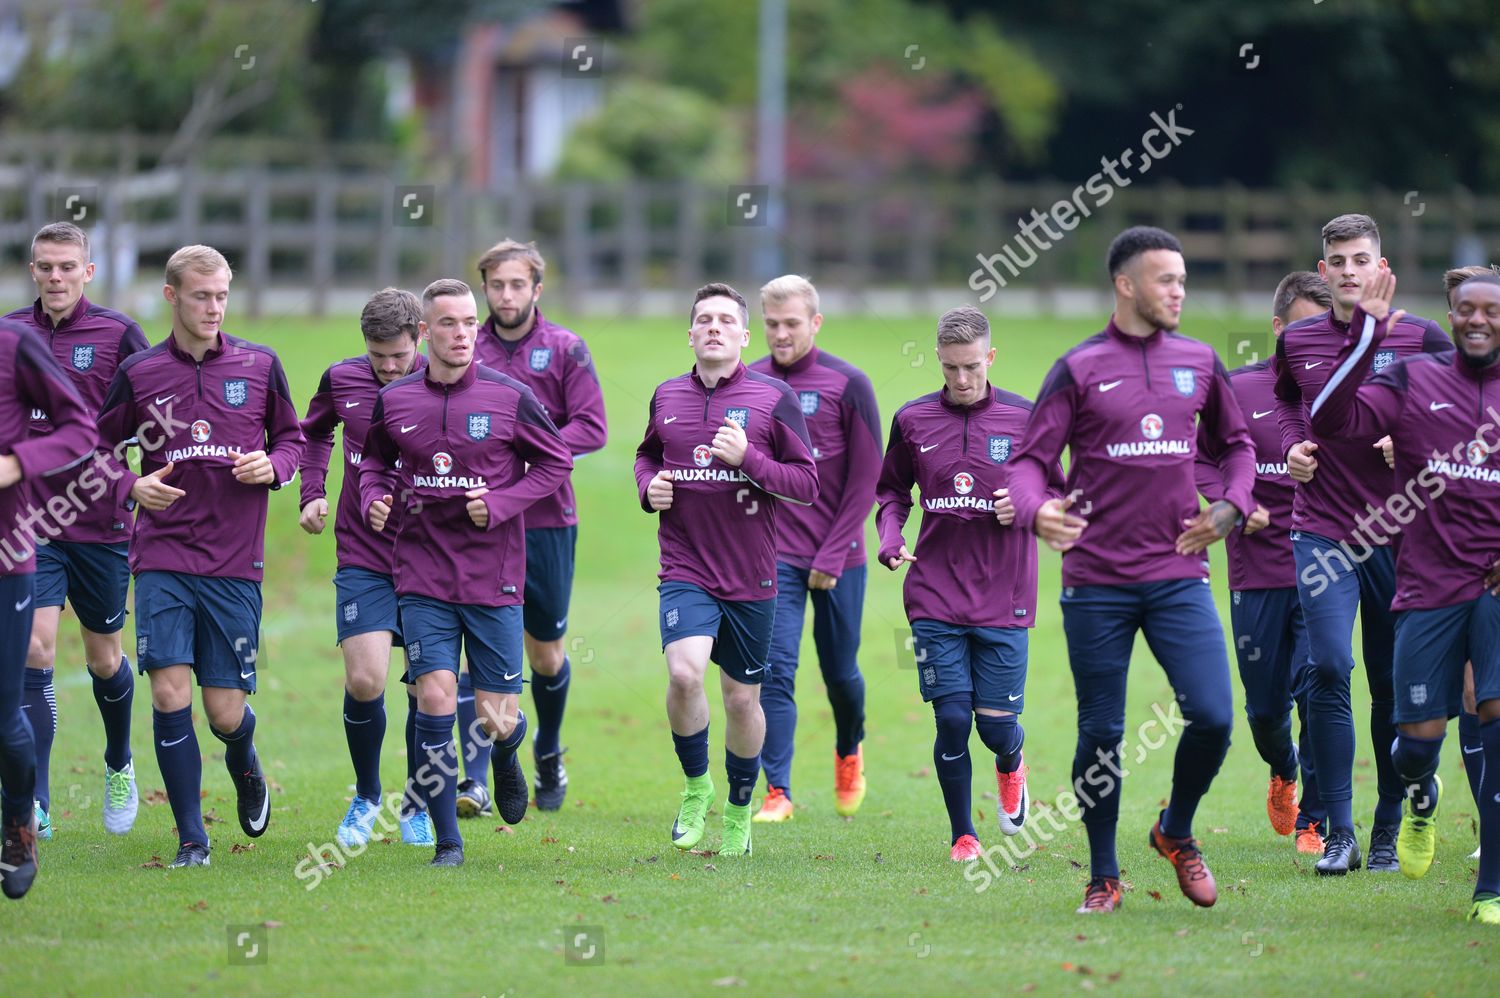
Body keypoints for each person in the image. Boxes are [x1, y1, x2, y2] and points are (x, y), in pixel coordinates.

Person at [1008, 226, 1256, 914]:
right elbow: (1029, 460)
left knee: (1212, 714)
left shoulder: (1201, 361)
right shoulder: (1079, 367)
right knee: (1103, 731)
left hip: (1178, 573)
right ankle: (1103, 874)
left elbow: (1236, 447)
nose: (1178, 290)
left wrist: (1232, 506)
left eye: (1182, 279)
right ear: (1126, 285)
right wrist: (1037, 511)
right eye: (1165, 279)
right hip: (1096, 580)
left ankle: (1175, 830)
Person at [96, 245, 306, 868]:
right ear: (171, 297)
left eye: (221, 296)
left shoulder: (260, 364)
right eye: (200, 296)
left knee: (224, 711)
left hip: (235, 562)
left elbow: (292, 439)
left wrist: (274, 467)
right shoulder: (139, 374)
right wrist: (130, 486)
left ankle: (244, 760)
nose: (214, 308)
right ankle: (192, 838)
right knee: (167, 693)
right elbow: (96, 449)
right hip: (160, 555)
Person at [1308, 266, 1500, 925]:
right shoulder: (1416, 380)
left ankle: (1491, 889)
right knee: (1417, 740)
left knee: (1492, 713)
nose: (1478, 320)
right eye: (1465, 310)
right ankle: (1421, 794)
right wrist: (1365, 335)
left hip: (1495, 587)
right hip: (1427, 583)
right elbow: (1328, 419)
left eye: (1490, 310)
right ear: (1449, 318)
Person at [358, 278, 572, 866]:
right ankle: (446, 840)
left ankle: (507, 754)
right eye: (448, 324)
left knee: (494, 717)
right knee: (434, 696)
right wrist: (374, 494)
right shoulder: (397, 400)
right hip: (422, 573)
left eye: (469, 323)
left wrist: (501, 503)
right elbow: (374, 460)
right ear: (426, 332)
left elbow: (554, 461)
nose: (461, 334)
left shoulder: (509, 396)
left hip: (492, 575)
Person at [1272, 214, 1451, 875]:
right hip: (1320, 526)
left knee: (1387, 683)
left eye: (1361, 259)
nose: (1349, 270)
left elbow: (1453, 412)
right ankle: (1337, 832)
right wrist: (1290, 446)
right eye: (1338, 261)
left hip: (1397, 533)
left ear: (1382, 267)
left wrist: (1409, 439)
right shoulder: (1301, 339)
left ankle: (1384, 832)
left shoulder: (1420, 338)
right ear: (1323, 271)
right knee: (1326, 666)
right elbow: (1285, 403)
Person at [634, 282, 818, 857]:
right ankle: (696, 789)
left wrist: (750, 461)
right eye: (703, 320)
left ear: (743, 335)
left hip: (752, 576)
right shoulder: (665, 395)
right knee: (685, 675)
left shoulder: (772, 399)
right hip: (685, 567)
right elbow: (645, 455)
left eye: (725, 321)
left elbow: (807, 485)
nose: (713, 328)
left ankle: (739, 806)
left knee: (742, 701)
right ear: (690, 334)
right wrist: (649, 486)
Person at [876, 305, 1062, 861]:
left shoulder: (1028, 419)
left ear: (991, 357)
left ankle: (1012, 763)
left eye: (973, 367)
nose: (962, 379)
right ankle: (963, 834)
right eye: (952, 367)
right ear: (939, 358)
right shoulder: (912, 420)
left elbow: (1061, 495)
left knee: (996, 727)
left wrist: (1028, 504)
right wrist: (889, 536)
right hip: (933, 593)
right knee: (953, 717)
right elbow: (891, 492)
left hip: (1005, 597)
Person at [5, 222, 149, 839]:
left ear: (88, 272)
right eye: (45, 267)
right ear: (32, 270)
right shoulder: (13, 334)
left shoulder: (117, 334)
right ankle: (34, 797)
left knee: (103, 656)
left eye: (67, 266)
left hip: (98, 518)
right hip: (28, 519)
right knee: (35, 648)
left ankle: (118, 760)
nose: (55, 277)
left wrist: (136, 468)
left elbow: (157, 404)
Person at [463, 239, 607, 815]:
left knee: (544, 653)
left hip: (547, 520)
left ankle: (547, 749)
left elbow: (592, 427)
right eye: (496, 285)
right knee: (476, 652)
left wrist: (527, 453)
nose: (506, 295)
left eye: (517, 285)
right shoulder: (465, 347)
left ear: (536, 289)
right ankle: (474, 778)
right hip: (476, 521)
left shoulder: (566, 349)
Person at [1196, 271, 1331, 853]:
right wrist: (1231, 501)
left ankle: (1318, 818)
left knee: (1322, 684)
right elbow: (1196, 460)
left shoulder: (1344, 394)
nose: (1314, 342)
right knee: (1266, 708)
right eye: (1303, 329)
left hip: (1326, 567)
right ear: (1277, 329)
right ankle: (1283, 769)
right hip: (1256, 572)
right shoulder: (1236, 388)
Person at [299, 288, 434, 847]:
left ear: (420, 338)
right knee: (365, 678)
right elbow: (312, 432)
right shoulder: (342, 378)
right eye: (377, 356)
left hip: (433, 559)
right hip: (363, 551)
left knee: (427, 690)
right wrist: (312, 492)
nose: (387, 367)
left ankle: (419, 806)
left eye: (398, 356)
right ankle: (366, 795)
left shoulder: (448, 383)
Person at [746, 275, 880, 823]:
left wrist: (834, 551)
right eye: (772, 324)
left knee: (840, 673)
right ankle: (777, 790)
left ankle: (849, 749)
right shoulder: (747, 380)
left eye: (791, 324)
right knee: (774, 671)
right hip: (772, 555)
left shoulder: (849, 384)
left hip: (837, 556)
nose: (780, 334)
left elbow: (866, 479)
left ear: (815, 322)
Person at [0, 318, 97, 897]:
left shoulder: (13, 344)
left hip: (6, 558)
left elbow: (79, 429)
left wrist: (16, 463)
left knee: (4, 715)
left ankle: (18, 825)